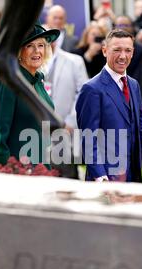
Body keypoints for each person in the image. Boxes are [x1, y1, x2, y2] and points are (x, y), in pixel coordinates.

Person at [76, 30, 142, 184]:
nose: (123, 56)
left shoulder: (133, 85)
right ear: (104, 51)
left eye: (128, 50)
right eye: (117, 50)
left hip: (132, 176)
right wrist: (100, 177)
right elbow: (88, 139)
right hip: (105, 179)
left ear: (133, 52)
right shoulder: (92, 89)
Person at [0, 24, 60, 166]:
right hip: (18, 171)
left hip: (42, 166)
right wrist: (9, 170)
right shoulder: (8, 82)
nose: (37, 51)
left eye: (41, 45)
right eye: (30, 46)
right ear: (19, 51)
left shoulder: (38, 81)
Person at [44, 38, 89, 178]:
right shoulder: (29, 62)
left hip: (66, 127)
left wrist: (71, 121)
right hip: (37, 129)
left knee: (67, 174)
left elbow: (83, 94)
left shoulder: (74, 61)